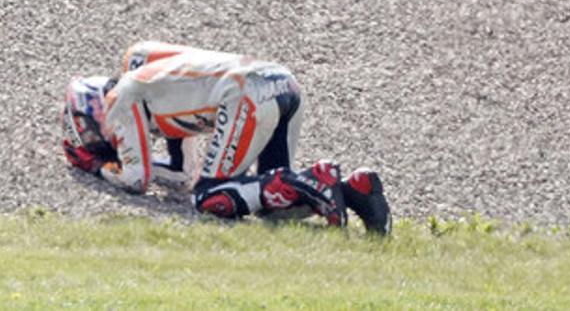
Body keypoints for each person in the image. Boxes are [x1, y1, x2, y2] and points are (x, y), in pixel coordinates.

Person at [61, 40, 392, 235]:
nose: (101, 139)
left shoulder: (122, 95)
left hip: (247, 93)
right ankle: (354, 190)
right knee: (272, 203)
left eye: (92, 133)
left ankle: (315, 180)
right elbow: (182, 174)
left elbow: (136, 179)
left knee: (209, 199)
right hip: (282, 81)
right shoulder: (158, 83)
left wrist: (97, 166)